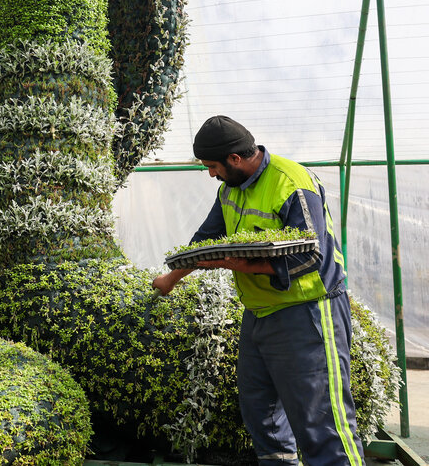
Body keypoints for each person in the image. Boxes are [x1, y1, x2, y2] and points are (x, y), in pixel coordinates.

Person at [153, 116, 364, 466]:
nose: (211, 175)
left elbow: (311, 255)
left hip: (308, 311)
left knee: (320, 418)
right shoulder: (230, 189)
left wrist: (243, 267)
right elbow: (207, 241)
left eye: (212, 167)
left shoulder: (290, 182)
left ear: (234, 159)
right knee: (259, 407)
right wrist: (172, 278)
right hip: (261, 314)